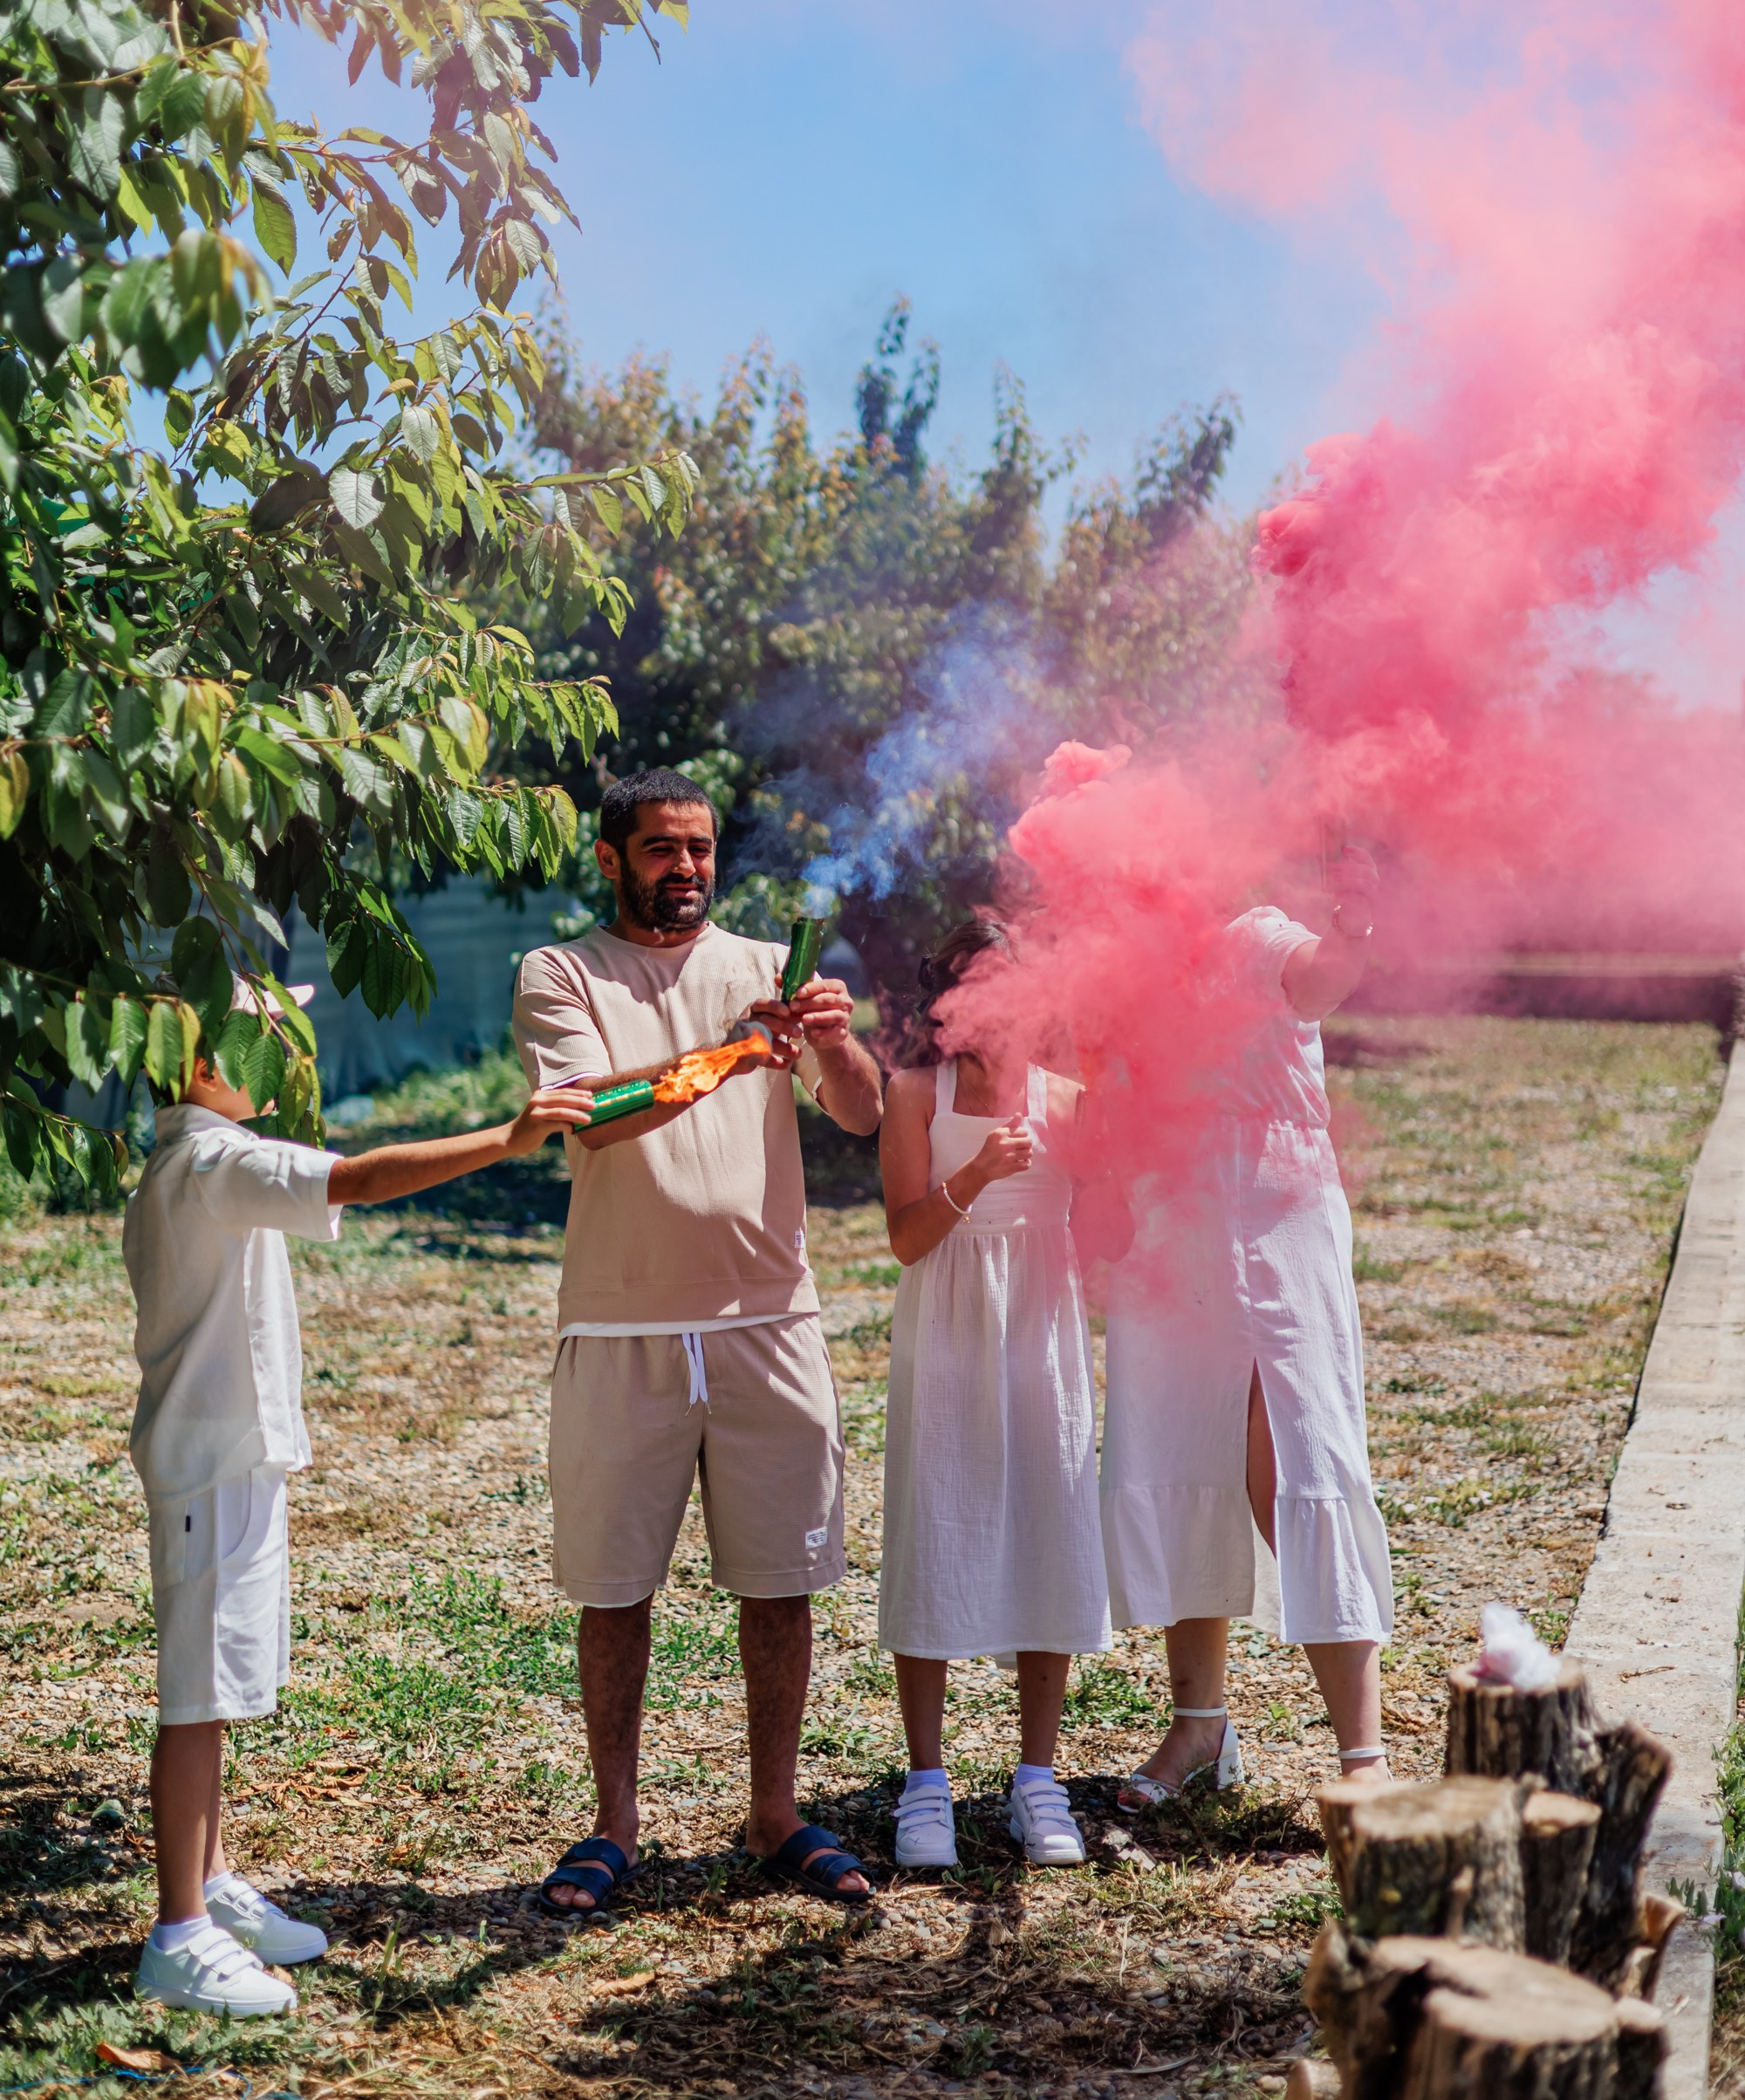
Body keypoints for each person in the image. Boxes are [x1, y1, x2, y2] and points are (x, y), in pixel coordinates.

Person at [126, 977, 593, 2016]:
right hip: (208, 1466)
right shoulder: (209, 1161)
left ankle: (207, 1883)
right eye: (265, 1039)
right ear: (205, 1065)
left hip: (236, 1459)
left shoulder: (199, 1157)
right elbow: (361, 1178)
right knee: (196, 1698)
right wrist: (505, 1138)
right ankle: (178, 1932)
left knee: (226, 1685)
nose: (288, 1054)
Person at [511, 769, 885, 1913]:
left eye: (702, 849)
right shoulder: (561, 972)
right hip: (622, 1324)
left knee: (781, 1582)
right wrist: (733, 1052)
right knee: (617, 1589)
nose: (687, 869)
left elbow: (861, 1114)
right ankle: (614, 1824)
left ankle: (775, 1813)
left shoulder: (769, 967)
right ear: (612, 858)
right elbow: (598, 1113)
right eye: (663, 850)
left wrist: (834, 1037)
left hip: (770, 1319)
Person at [1101, 845, 1394, 1802]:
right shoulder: (1127, 970)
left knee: (1298, 1467)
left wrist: (1353, 924)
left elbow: (1319, 981)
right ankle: (1198, 1732)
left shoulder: (1259, 934)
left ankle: (1364, 1757)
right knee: (1185, 1457)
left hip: (1278, 1231)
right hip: (1169, 1233)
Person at [876, 920, 1113, 1871]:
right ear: (945, 996)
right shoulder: (911, 1095)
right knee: (935, 1523)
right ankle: (925, 1782)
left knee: (1048, 1524)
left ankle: (1036, 1779)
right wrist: (971, 1174)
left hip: (1042, 1331)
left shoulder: (1070, 1098)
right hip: (946, 1328)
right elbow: (903, 1239)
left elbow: (1108, 1220)